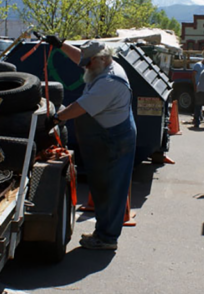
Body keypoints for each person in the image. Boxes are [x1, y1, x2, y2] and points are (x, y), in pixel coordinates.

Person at [44, 35, 136, 251]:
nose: (84, 65)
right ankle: (103, 232)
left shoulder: (109, 82)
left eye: (89, 62)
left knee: (111, 190)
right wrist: (60, 45)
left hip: (115, 139)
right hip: (110, 135)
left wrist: (56, 118)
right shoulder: (102, 65)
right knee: (103, 187)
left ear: (102, 59)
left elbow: (80, 107)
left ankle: (107, 238)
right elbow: (80, 58)